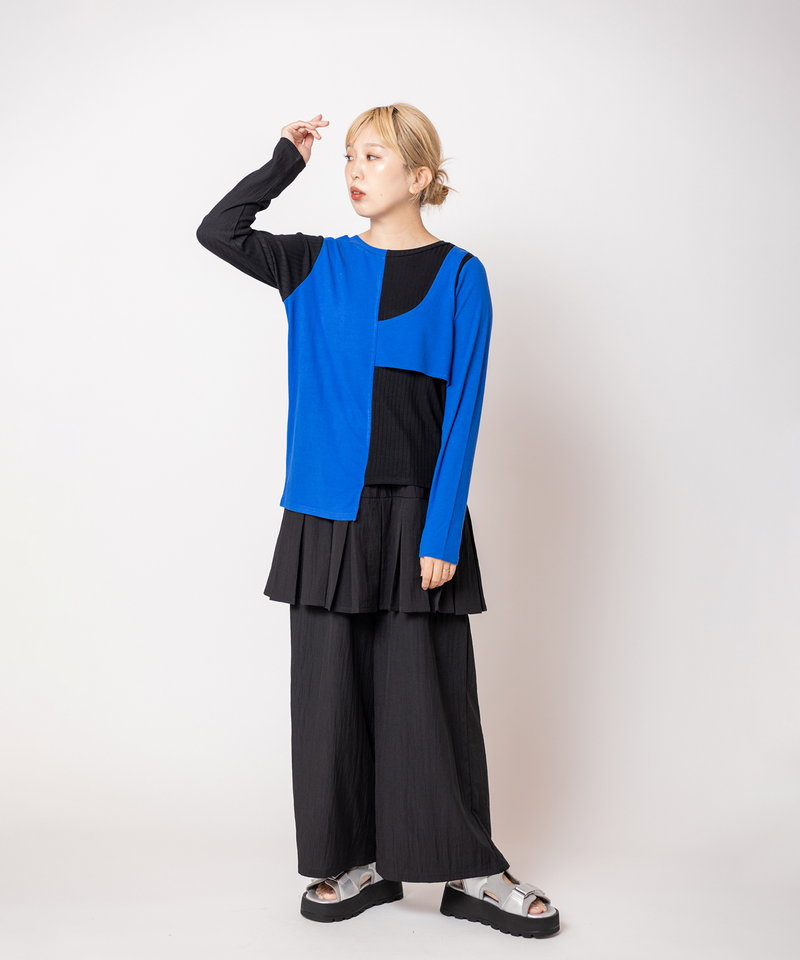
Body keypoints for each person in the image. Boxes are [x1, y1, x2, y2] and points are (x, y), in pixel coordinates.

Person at [196, 103, 560, 939]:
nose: (355, 171)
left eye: (375, 157)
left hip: (415, 515)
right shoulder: (314, 265)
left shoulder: (461, 275)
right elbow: (219, 230)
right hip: (325, 514)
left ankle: (470, 868)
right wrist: (284, 163)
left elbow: (464, 411)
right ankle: (356, 859)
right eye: (350, 157)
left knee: (428, 700)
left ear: (420, 176)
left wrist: (442, 530)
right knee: (328, 699)